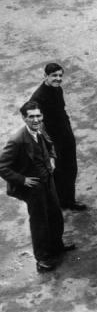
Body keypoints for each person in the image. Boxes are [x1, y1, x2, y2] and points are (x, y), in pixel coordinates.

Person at [0, 102, 75, 272]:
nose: (36, 119)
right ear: (24, 118)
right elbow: (3, 166)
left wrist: (53, 159)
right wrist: (22, 180)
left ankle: (57, 245)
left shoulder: (41, 129)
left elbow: (50, 145)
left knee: (55, 214)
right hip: (33, 188)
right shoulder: (17, 140)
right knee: (39, 223)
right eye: (31, 116)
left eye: (38, 116)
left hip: (48, 180)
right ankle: (42, 259)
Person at [29, 64, 85, 211]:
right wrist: (48, 144)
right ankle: (57, 203)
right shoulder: (38, 97)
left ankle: (69, 200)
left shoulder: (57, 89)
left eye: (60, 76)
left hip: (65, 135)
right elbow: (36, 123)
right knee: (57, 172)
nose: (58, 79)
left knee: (71, 168)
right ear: (45, 76)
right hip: (53, 141)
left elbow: (61, 110)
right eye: (54, 75)